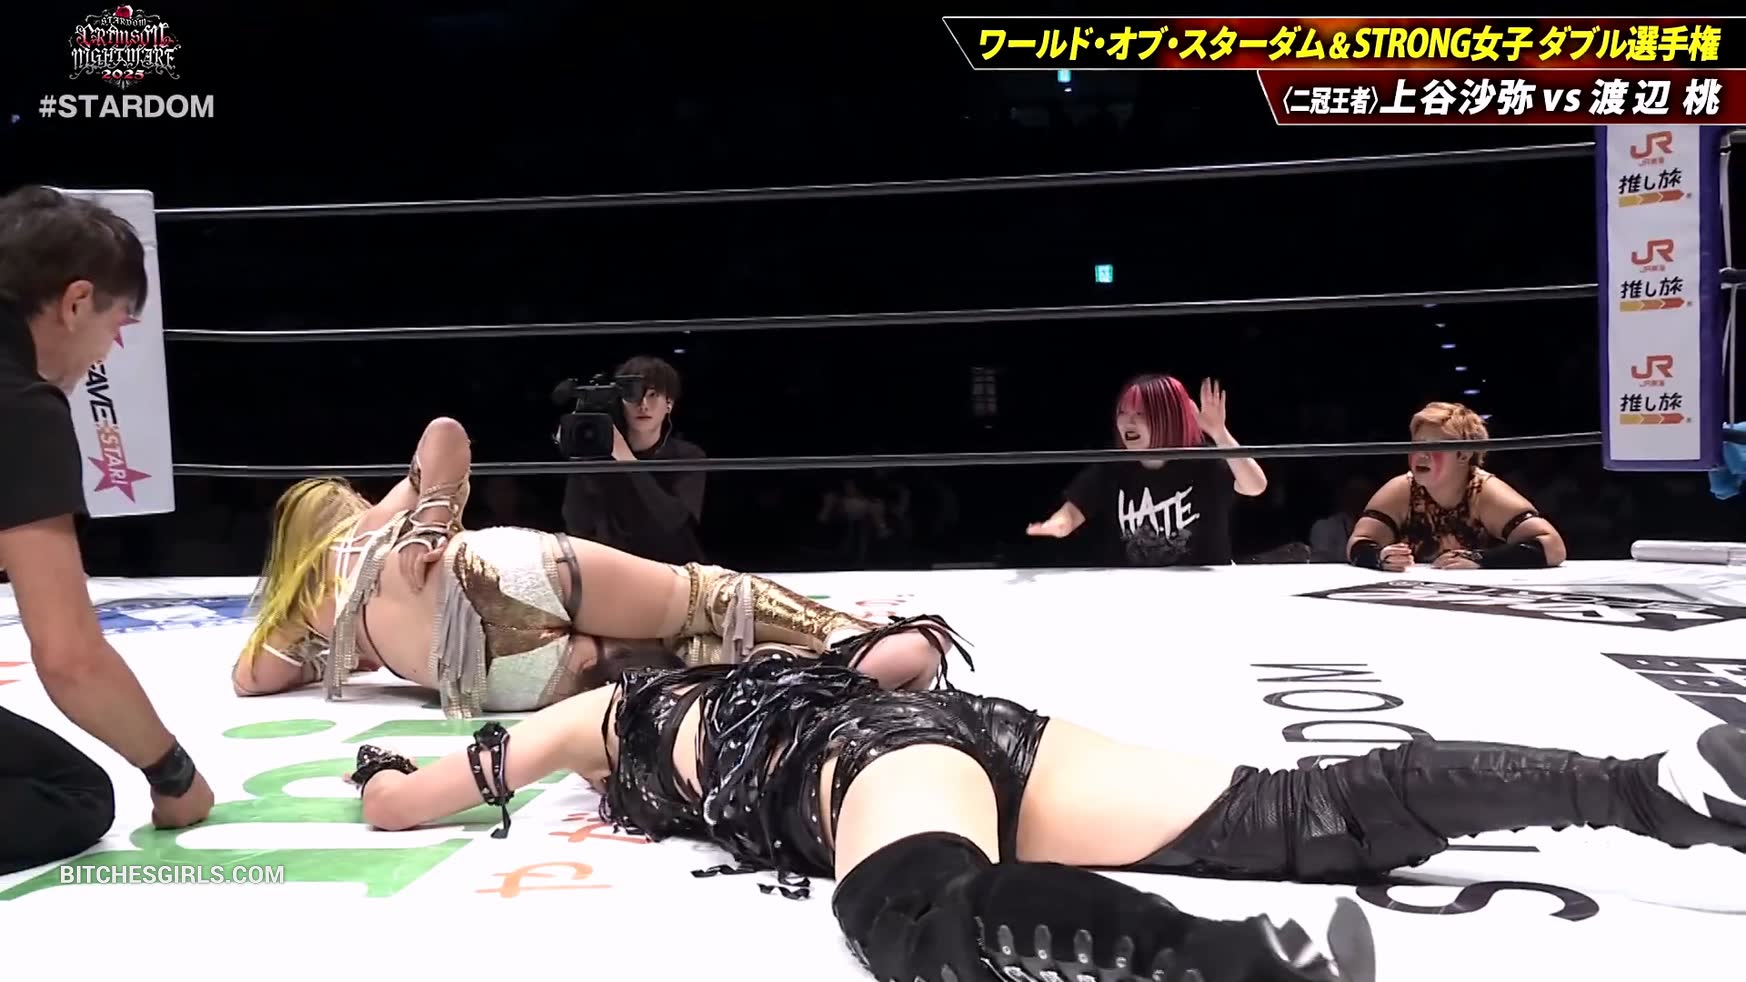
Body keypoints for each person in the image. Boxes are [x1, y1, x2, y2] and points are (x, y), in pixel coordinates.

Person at [345, 652, 1746, 982]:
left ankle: (1230, 961)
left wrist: (378, 775)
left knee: (911, 913)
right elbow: (911, 652)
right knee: (1303, 805)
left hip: (864, 757)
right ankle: (1651, 784)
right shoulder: (766, 663)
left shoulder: (611, 714)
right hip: (982, 731)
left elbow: (420, 797)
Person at [232, 416, 954, 719]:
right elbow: (445, 434)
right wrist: (429, 520)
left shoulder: (306, 615)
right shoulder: (370, 528)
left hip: (494, 680)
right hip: (489, 570)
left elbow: (249, 678)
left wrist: (333, 649)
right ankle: (849, 637)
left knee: (667, 657)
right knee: (696, 597)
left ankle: (828, 675)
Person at [0, 185, 214, 874]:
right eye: (117, 326)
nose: (105, 355)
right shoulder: (19, 408)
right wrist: (173, 773)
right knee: (75, 796)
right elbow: (70, 658)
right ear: (76, 302)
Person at [1027, 375, 1267, 566]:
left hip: (1202, 587)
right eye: (1122, 413)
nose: (1127, 422)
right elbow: (1074, 509)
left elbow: (1255, 486)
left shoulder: (1203, 461)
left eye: (1140, 414)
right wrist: (1059, 524)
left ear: (1168, 417)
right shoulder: (1112, 467)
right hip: (1136, 588)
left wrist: (1219, 433)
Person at [1346, 402, 1566, 571]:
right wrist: (1380, 557)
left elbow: (1553, 547)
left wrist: (1480, 559)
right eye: (1417, 444)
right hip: (1411, 595)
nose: (1421, 455)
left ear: (1463, 454)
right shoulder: (1401, 489)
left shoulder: (1484, 492)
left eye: (1435, 446)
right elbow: (1359, 542)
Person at [561, 355, 707, 565]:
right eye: (633, 395)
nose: (643, 405)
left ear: (669, 403)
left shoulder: (688, 455)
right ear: (621, 402)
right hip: (615, 567)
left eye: (653, 395)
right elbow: (576, 524)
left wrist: (626, 459)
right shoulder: (601, 457)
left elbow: (673, 520)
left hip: (673, 567)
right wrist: (579, 453)